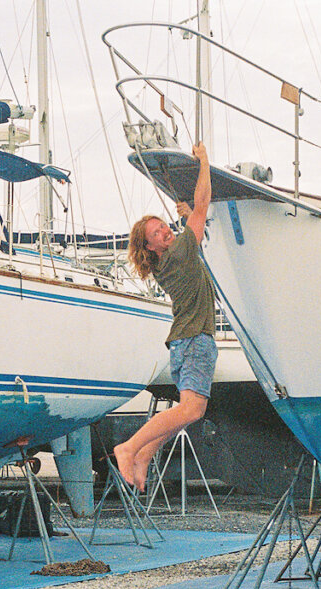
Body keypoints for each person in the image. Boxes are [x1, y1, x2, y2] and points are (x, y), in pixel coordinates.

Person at [114, 141, 216, 492]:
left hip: (186, 342)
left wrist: (185, 218)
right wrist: (204, 162)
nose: (165, 232)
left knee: (188, 412)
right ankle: (128, 448)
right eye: (157, 233)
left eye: (163, 227)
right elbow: (204, 203)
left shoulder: (167, 260)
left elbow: (193, 221)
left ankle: (144, 455)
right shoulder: (181, 252)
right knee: (190, 412)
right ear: (152, 247)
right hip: (194, 340)